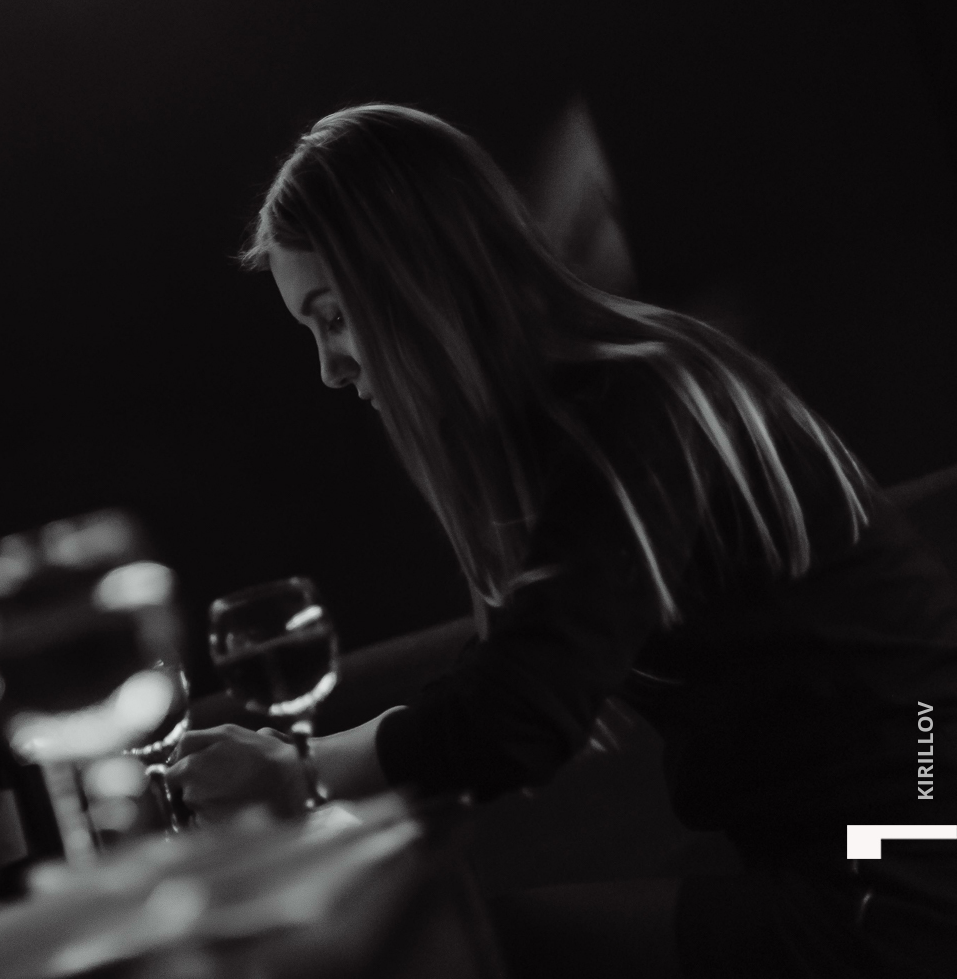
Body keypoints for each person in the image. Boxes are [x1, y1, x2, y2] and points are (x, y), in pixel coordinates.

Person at [167, 104, 957, 978]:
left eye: (334, 317)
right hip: (869, 838)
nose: (329, 367)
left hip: (910, 848)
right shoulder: (598, 409)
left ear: (415, 280)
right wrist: (311, 766)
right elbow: (516, 670)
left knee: (463, 953)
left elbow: (519, 716)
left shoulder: (638, 406)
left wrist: (300, 771)